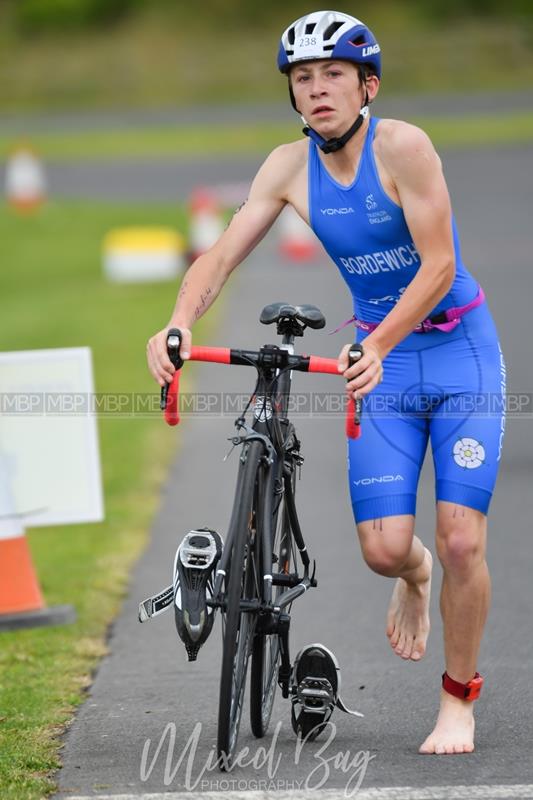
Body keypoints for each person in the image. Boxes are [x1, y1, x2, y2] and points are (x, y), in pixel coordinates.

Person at [147, 10, 505, 755]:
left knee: (462, 538)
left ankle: (457, 700)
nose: (315, 90)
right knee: (385, 551)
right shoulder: (286, 167)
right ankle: (415, 575)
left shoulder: (403, 147)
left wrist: (373, 341)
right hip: (380, 362)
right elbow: (219, 256)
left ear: (366, 84)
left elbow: (437, 265)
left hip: (456, 352)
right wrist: (178, 319)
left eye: (332, 75)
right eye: (302, 79)